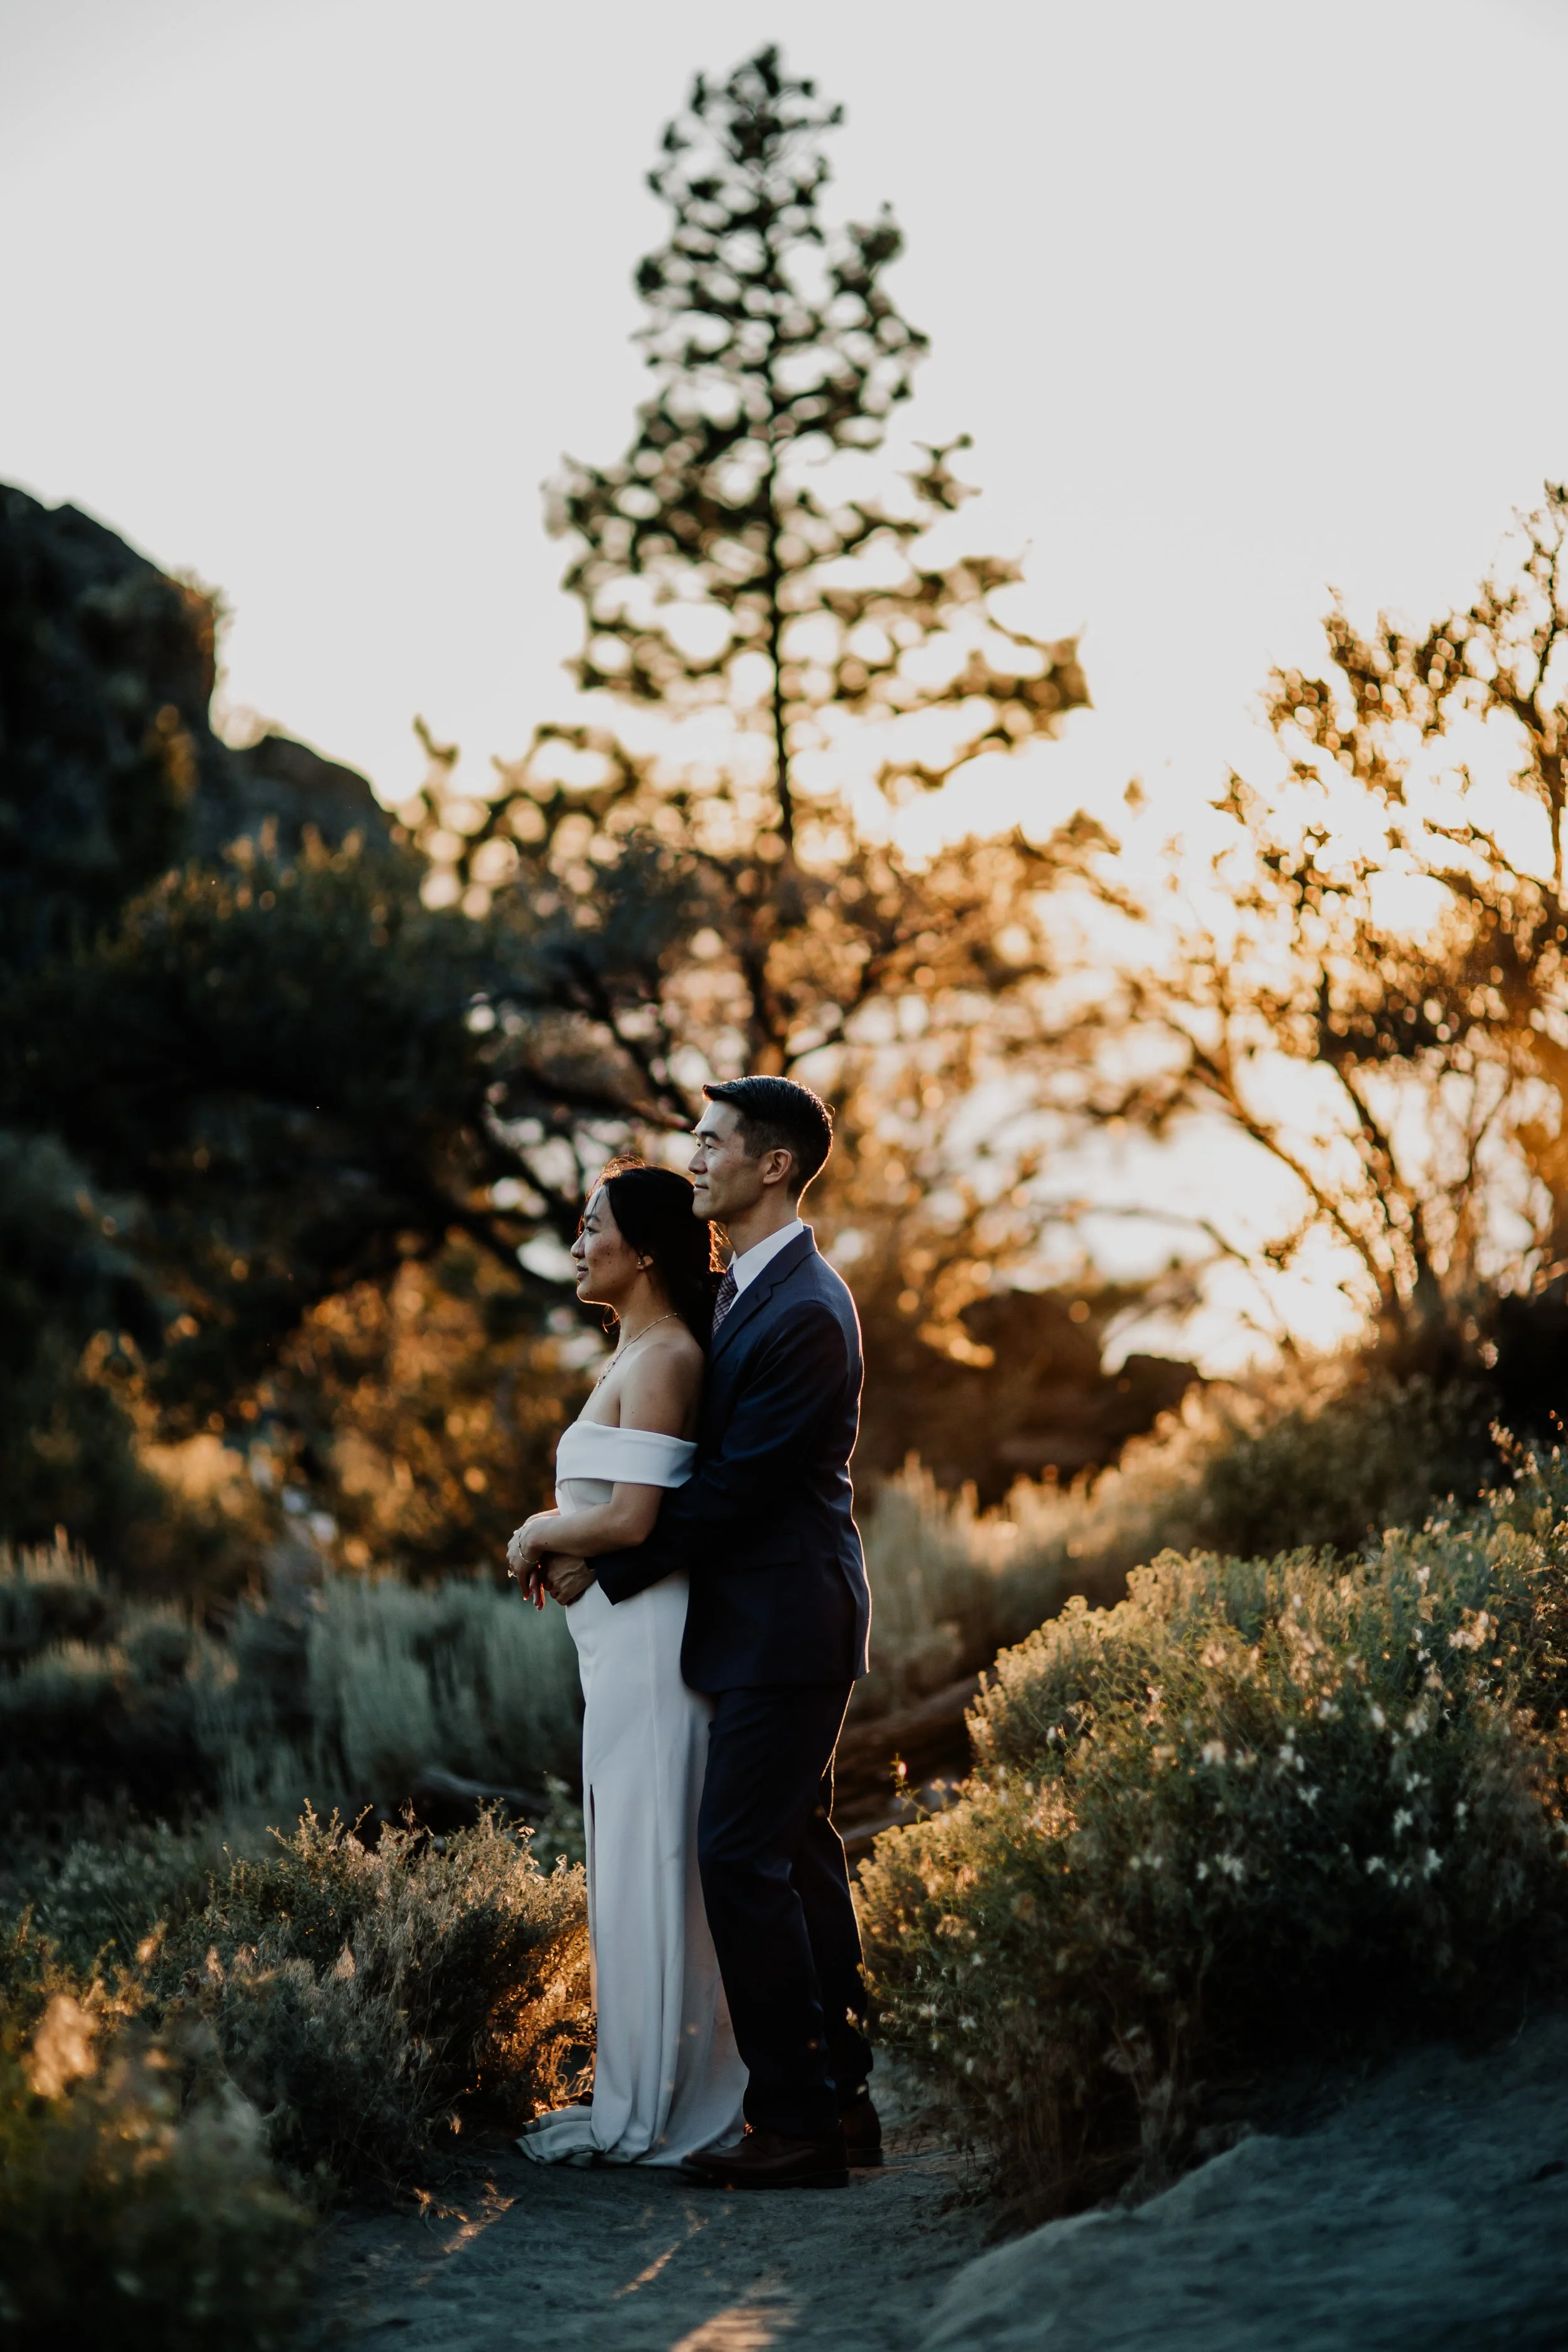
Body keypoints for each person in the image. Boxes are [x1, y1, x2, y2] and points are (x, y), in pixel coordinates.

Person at [520, 1076, 877, 2191]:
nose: (697, 1158)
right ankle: (841, 2094)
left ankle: (798, 2122)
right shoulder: (733, 1295)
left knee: (738, 1854)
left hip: (789, 1619)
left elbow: (735, 1491)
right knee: (798, 1851)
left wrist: (602, 1557)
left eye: (714, 1142)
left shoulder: (808, 1310)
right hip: (749, 1621)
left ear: (774, 1165)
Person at [507, 1162, 748, 2168]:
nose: (576, 1244)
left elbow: (635, 1518)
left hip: (652, 1646)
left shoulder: (667, 1357)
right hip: (616, 1645)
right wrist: (567, 1542)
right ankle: (631, 2090)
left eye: (590, 1226)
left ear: (643, 1250)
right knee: (629, 1862)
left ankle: (654, 2110)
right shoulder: (635, 1351)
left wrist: (538, 1531)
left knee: (654, 1863)